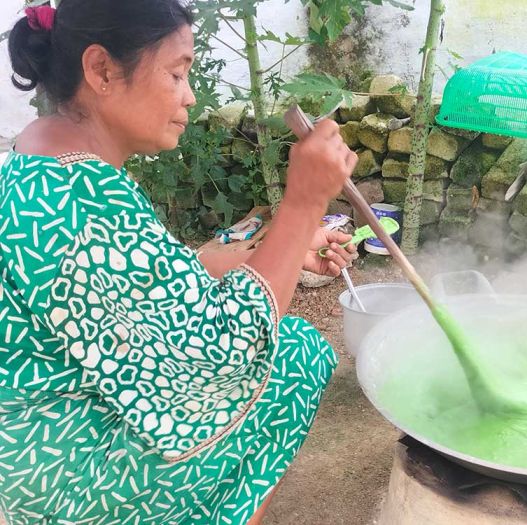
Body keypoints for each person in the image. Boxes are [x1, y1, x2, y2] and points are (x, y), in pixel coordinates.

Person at [0, 1, 358, 524]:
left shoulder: (37, 160)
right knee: (295, 357)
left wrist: (276, 249)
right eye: (176, 73)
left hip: (30, 453)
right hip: (71, 476)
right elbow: (224, 347)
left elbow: (151, 283)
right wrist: (303, 205)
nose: (189, 96)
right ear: (101, 70)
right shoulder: (85, 199)